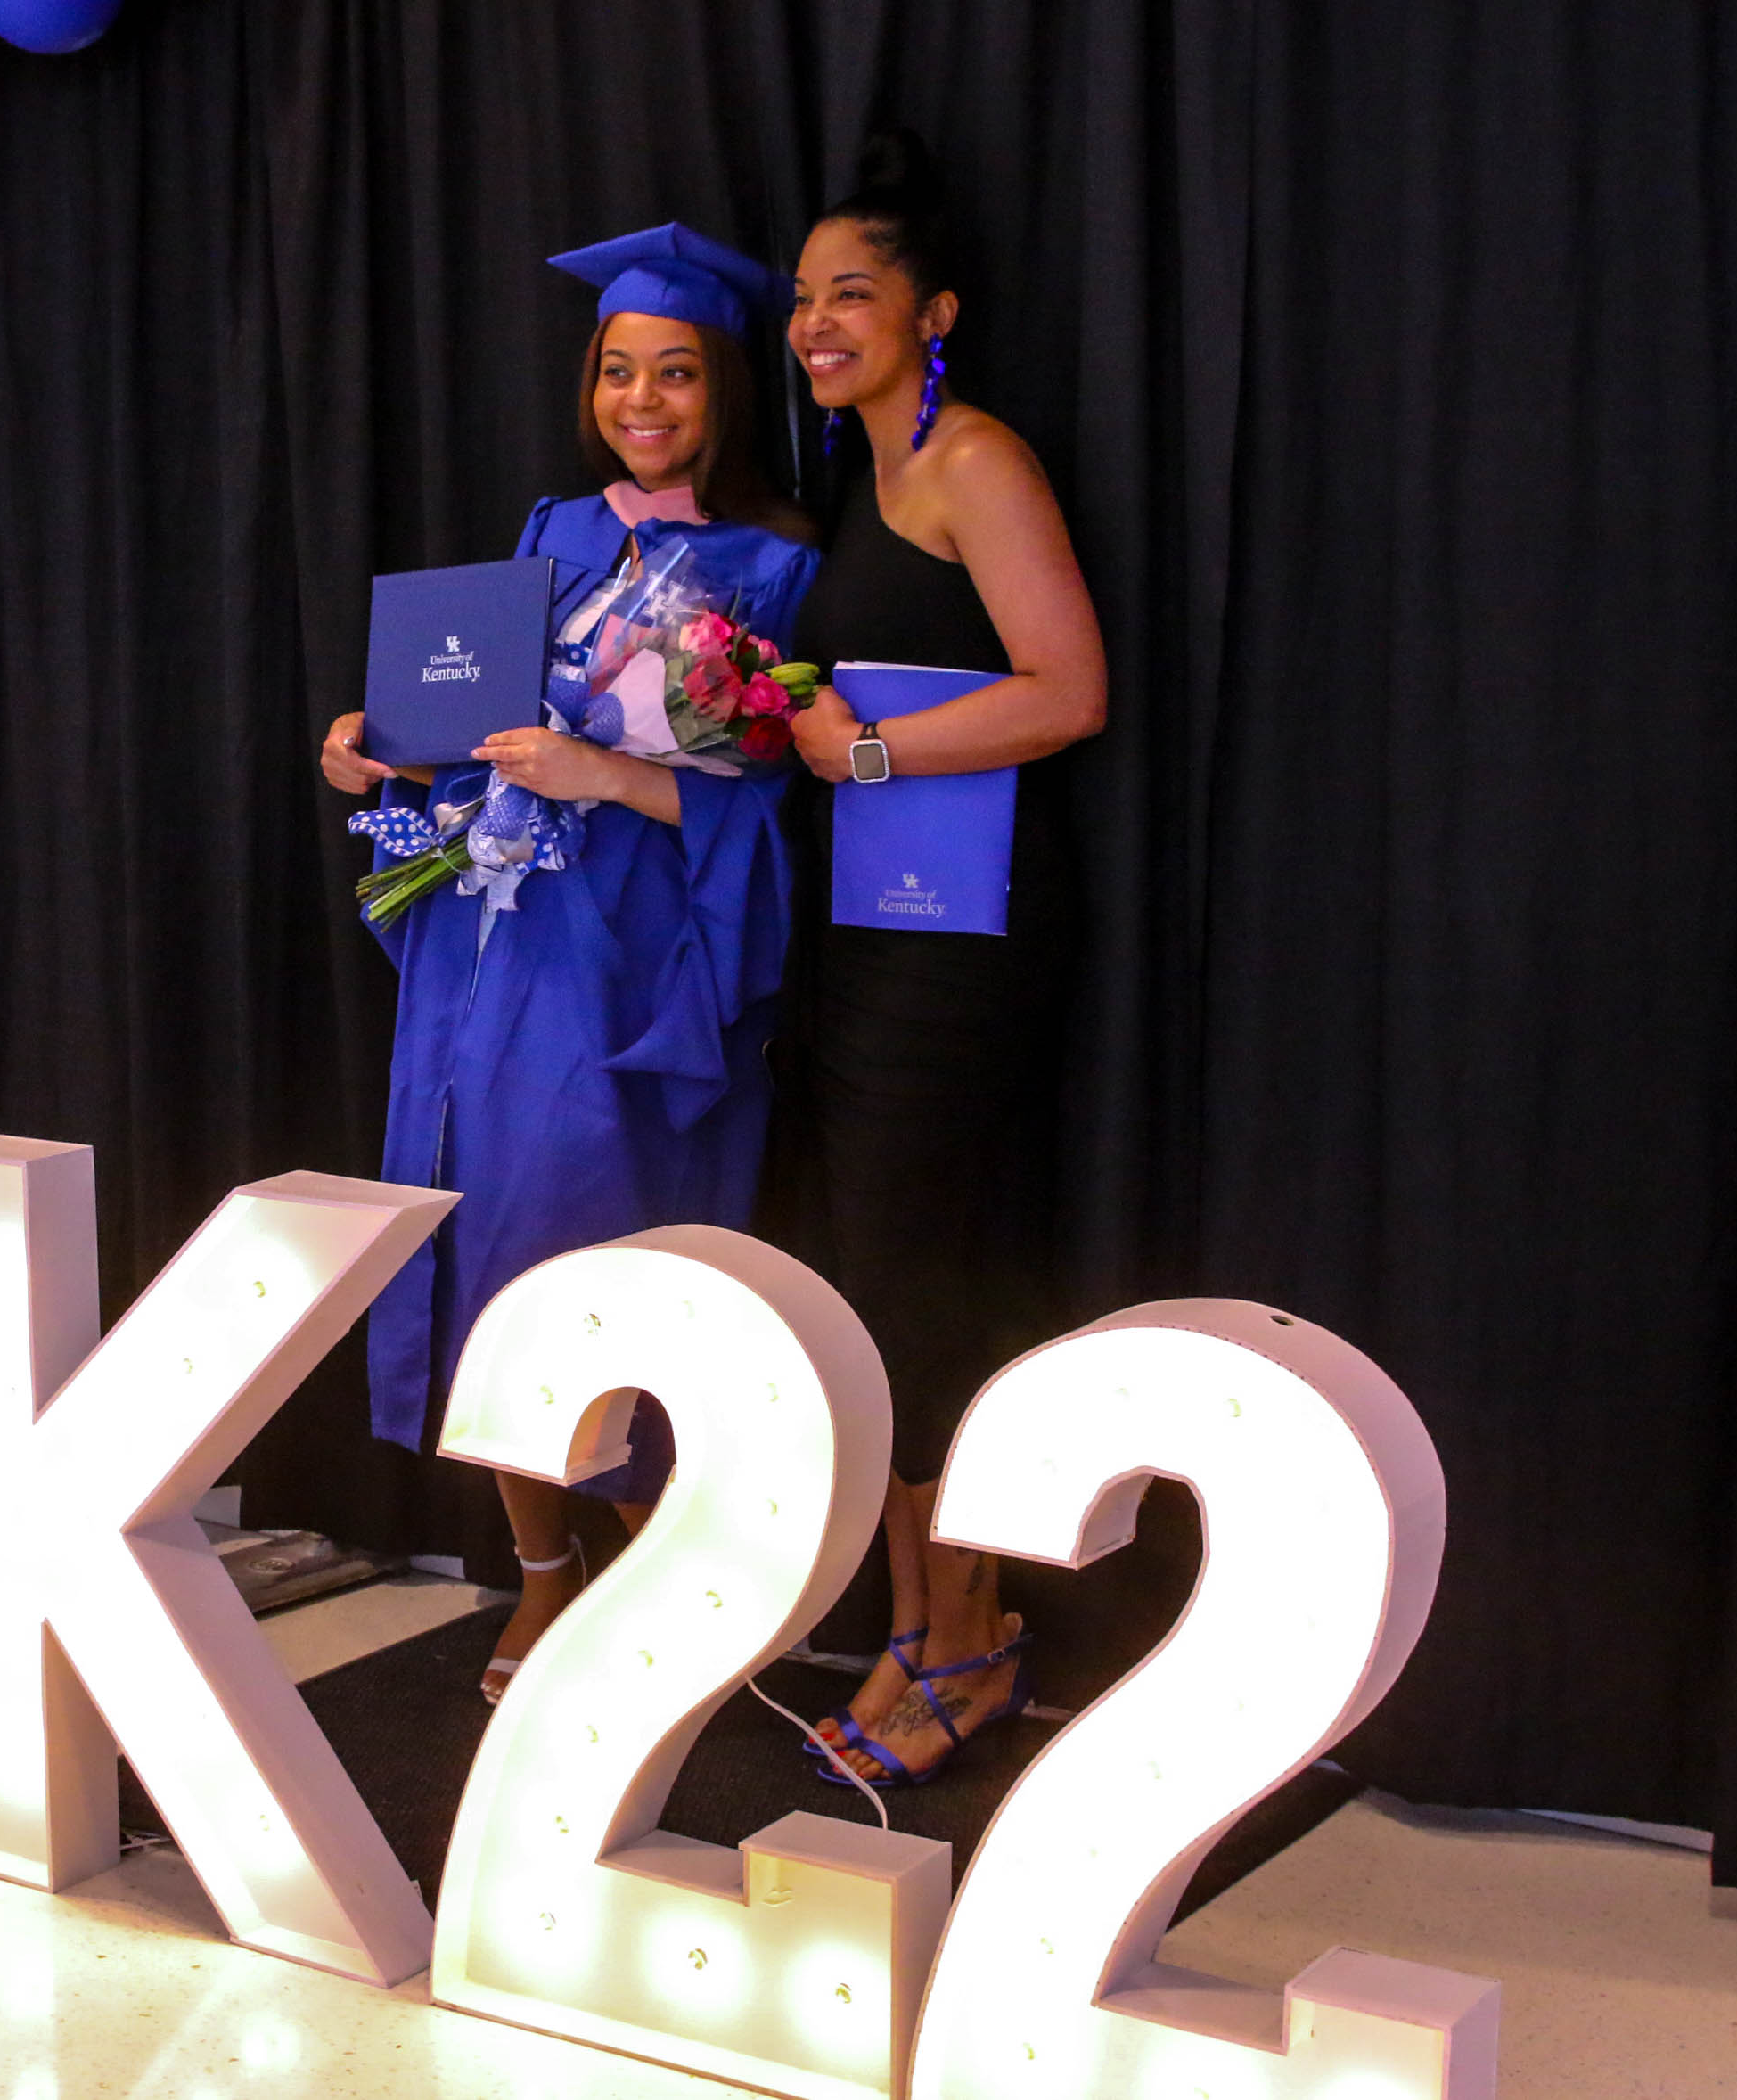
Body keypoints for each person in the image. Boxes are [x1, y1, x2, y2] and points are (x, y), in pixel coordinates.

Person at [321, 223, 819, 1701]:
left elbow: (775, 799)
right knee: (477, 1240)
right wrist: (381, 749)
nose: (640, 400)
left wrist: (608, 777)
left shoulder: (778, 565)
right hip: (492, 938)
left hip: (638, 960)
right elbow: (472, 720)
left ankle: (676, 1576)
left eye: (674, 372)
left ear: (723, 386)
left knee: (603, 1249)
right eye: (616, 371)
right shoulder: (550, 529)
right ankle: (541, 1571)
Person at [779, 133, 1110, 1786]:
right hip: (868, 935)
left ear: (936, 314)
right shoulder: (862, 474)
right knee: (880, 1279)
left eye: (853, 292)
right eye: (801, 297)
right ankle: (921, 1626)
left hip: (959, 943)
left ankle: (970, 1641)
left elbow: (1067, 691)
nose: (815, 323)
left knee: (929, 1279)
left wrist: (867, 754)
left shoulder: (973, 460)